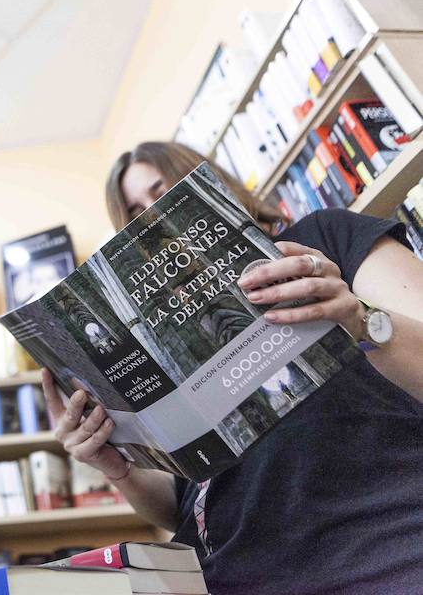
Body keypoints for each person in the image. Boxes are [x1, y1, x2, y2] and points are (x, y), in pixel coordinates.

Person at [44, 141, 423, 595]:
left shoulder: (323, 239)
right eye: (134, 212)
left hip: (367, 552)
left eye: (163, 192)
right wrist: (117, 468)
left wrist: (358, 318)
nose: (151, 219)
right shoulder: (161, 339)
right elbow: (179, 505)